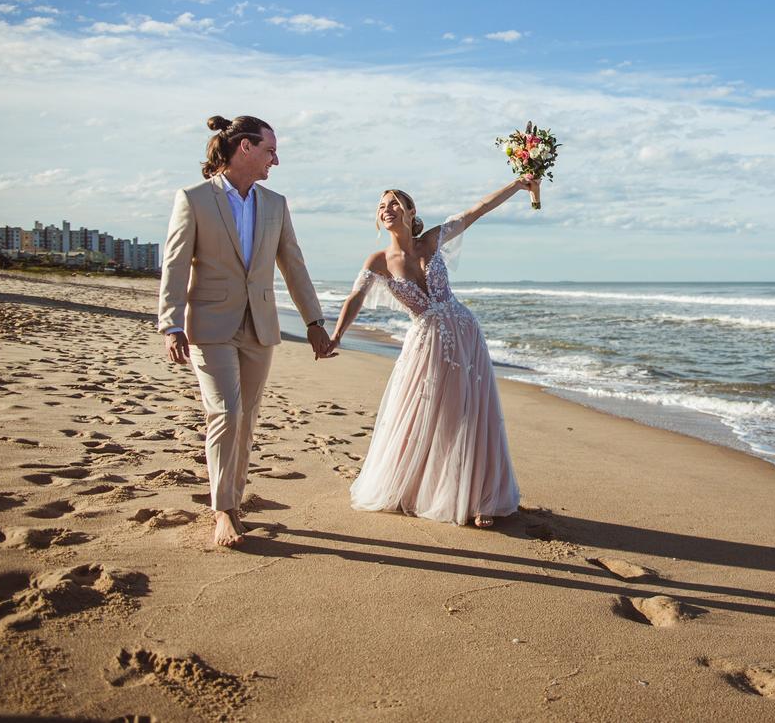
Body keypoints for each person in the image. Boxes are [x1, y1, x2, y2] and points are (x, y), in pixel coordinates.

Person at [157, 115, 334, 548]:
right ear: (246, 149)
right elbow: (176, 263)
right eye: (271, 150)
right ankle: (224, 511)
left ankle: (232, 500)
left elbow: (293, 264)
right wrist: (170, 324)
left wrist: (314, 322)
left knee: (247, 420)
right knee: (226, 413)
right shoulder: (194, 198)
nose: (276, 159)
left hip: (260, 325)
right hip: (210, 326)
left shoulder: (275, 203)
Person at [330, 178, 538, 527]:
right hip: (426, 342)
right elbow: (356, 298)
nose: (387, 209)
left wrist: (518, 184)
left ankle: (479, 498)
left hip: (465, 333)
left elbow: (478, 209)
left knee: (472, 413)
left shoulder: (433, 240)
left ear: (412, 212)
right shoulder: (378, 260)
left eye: (395, 203)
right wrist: (336, 335)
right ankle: (431, 490)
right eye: (382, 206)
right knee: (431, 415)